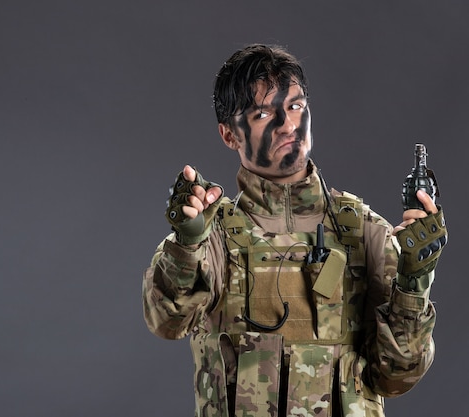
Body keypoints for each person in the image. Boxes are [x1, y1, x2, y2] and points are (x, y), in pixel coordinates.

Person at [142, 44, 447, 417]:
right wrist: (186, 243)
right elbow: (167, 321)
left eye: (296, 106)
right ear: (229, 134)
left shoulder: (365, 233)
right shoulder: (213, 235)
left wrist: (414, 281)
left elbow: (397, 376)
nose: (287, 124)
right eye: (263, 113)